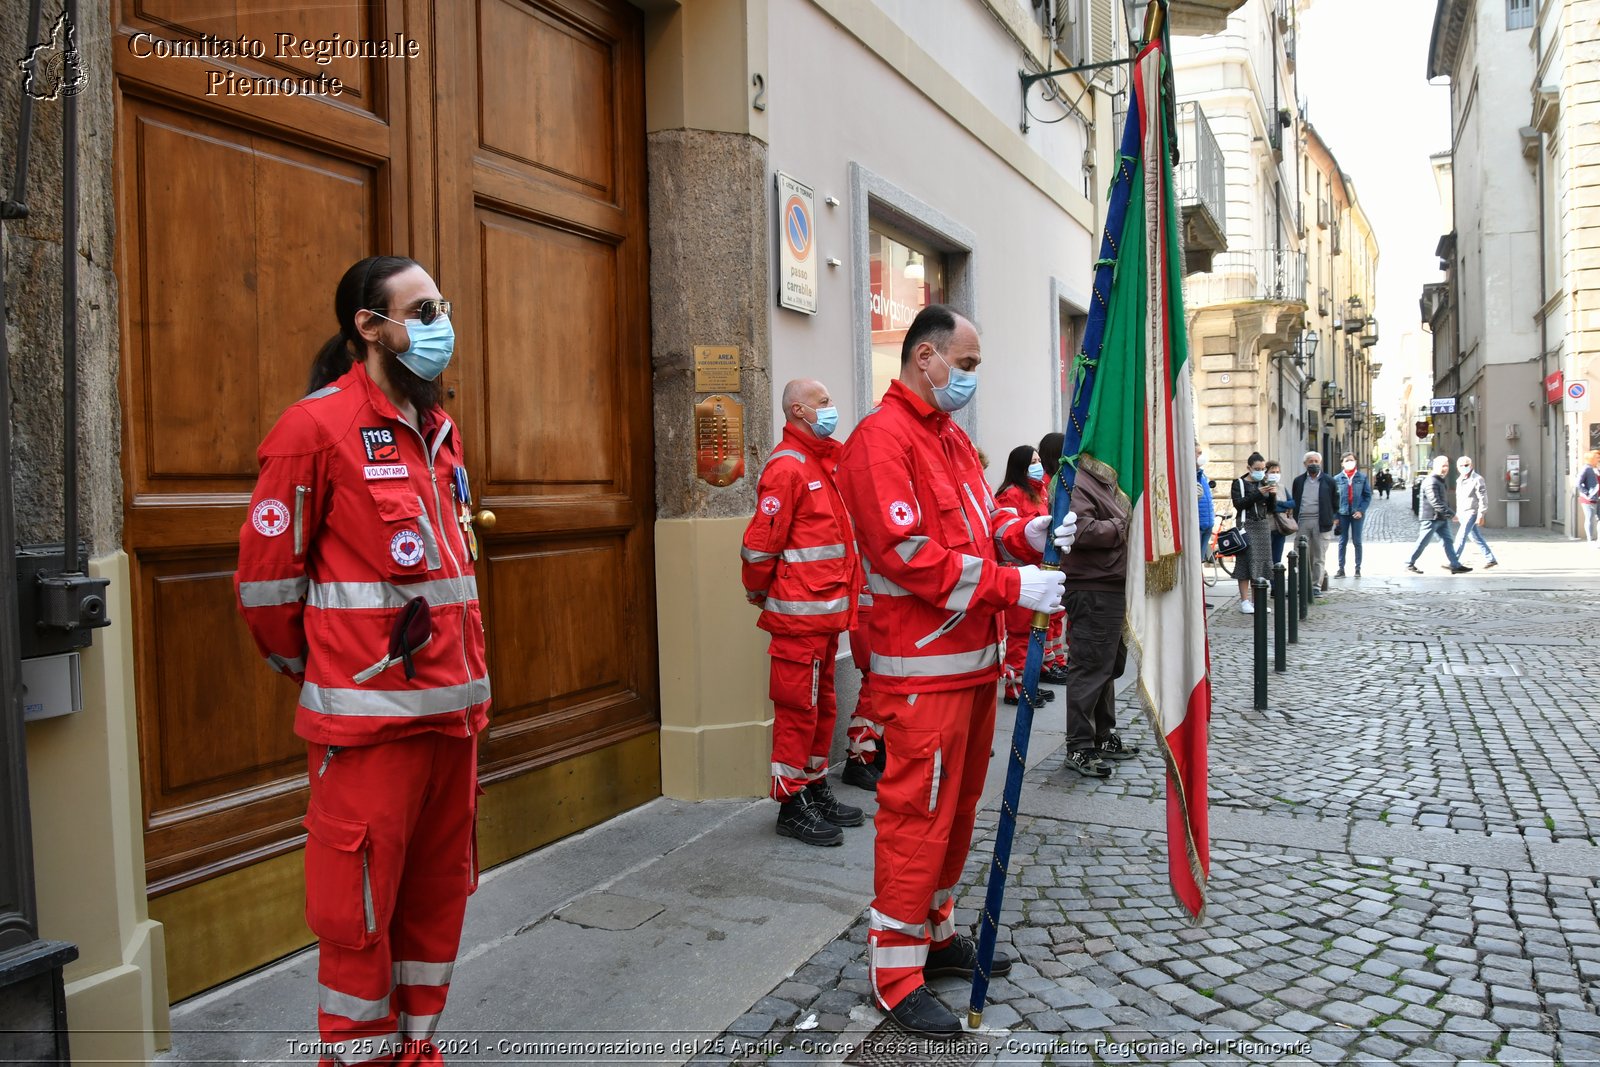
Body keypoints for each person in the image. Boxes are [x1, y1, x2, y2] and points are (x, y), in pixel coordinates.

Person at [236, 256, 489, 1065]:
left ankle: (418, 1049)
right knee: (358, 918)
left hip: (453, 720)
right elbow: (268, 588)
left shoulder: (438, 432)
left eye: (440, 305)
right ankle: (359, 1057)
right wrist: (332, 672)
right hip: (368, 732)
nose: (438, 322)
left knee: (435, 902)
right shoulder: (313, 429)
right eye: (421, 309)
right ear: (368, 326)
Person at [837, 304, 1076, 1038]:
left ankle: (933, 932)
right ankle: (894, 970)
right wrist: (1013, 587)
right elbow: (909, 557)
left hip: (968, 672)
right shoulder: (881, 442)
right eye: (964, 364)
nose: (970, 377)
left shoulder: (948, 439)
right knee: (916, 820)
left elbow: (978, 528)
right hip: (923, 675)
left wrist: (1025, 532)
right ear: (925, 358)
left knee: (956, 815)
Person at [740, 379, 865, 846]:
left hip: (825, 616)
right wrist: (760, 595)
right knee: (798, 709)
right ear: (798, 410)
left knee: (822, 705)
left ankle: (813, 786)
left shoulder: (820, 461)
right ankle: (792, 804)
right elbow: (759, 548)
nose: (831, 409)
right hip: (800, 617)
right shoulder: (788, 467)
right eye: (824, 402)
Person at [1060, 457, 1135, 778]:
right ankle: (1079, 745)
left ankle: (1102, 735)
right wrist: (1123, 525)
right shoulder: (1079, 481)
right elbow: (1082, 530)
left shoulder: (1105, 480)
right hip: (1094, 587)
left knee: (1108, 666)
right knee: (1091, 667)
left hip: (1111, 585)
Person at [994, 446, 1059, 707]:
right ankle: (1015, 689)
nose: (1038, 465)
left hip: (1037, 570)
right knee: (1020, 635)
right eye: (1033, 461)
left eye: (1040, 460)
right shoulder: (1011, 494)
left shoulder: (1038, 492)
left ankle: (1028, 683)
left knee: (1035, 631)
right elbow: (1006, 535)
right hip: (1018, 572)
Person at [1407, 455, 1472, 574]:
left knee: (1448, 541)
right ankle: (1408, 563)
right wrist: (1452, 515)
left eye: (1447, 465)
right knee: (1423, 541)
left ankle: (1455, 565)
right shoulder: (1431, 481)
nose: (1445, 468)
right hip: (1430, 518)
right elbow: (1435, 502)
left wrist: (1447, 514)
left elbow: (1442, 501)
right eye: (1443, 466)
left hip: (1440, 518)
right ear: (1435, 466)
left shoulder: (1439, 480)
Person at [1230, 452, 1276, 613]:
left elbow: (1271, 509)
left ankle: (1258, 602)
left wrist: (1272, 496)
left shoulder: (1263, 482)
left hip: (1262, 525)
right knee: (1245, 562)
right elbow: (1239, 504)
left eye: (1263, 469)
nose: (1260, 472)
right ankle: (1244, 601)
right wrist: (1258, 493)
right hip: (1246, 524)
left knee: (1261, 563)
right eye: (1257, 468)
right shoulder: (1239, 484)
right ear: (1249, 468)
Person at [1292, 451, 1338, 592]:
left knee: (1319, 555)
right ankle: (1301, 585)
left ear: (1320, 463)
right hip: (1302, 522)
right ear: (1305, 464)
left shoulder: (1329, 481)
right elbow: (1295, 500)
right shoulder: (1299, 481)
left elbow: (1335, 502)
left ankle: (1316, 585)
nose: (1313, 464)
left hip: (1321, 522)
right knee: (1300, 554)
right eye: (1310, 461)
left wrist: (1333, 519)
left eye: (1316, 461)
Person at [1453, 455, 1499, 569]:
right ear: (1457, 467)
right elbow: (1460, 499)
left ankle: (1453, 560)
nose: (1464, 467)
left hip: (1472, 512)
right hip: (1463, 513)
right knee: (1475, 537)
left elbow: (1483, 498)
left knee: (1461, 536)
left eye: (1466, 465)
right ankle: (1491, 559)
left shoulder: (1478, 479)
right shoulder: (1459, 480)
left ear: (1471, 465)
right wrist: (1458, 514)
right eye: (1461, 465)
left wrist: (1481, 514)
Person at [1334, 453, 1372, 578]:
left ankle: (1357, 569)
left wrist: (1361, 510)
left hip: (1357, 513)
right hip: (1342, 513)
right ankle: (1341, 569)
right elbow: (1333, 499)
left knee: (1357, 541)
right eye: (1347, 460)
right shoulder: (1337, 479)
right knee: (1342, 541)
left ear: (1355, 462)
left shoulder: (1362, 477)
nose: (1349, 462)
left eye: (1352, 460)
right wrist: (1335, 517)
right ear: (1342, 463)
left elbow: (1367, 495)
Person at [1265, 460, 1294, 565]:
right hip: (1268, 527)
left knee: (1277, 558)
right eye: (1272, 472)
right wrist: (1282, 507)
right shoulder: (1264, 488)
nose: (1275, 475)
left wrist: (1280, 504)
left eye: (1277, 472)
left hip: (1281, 527)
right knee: (1267, 558)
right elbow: (1270, 507)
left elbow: (1292, 503)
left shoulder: (1281, 487)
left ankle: (1276, 581)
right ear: (1266, 473)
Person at [1196, 446, 1215, 562]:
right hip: (1197, 525)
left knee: (1200, 561)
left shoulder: (1202, 476)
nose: (1200, 456)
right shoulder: (1187, 474)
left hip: (1207, 524)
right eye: (1198, 453)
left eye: (1201, 453)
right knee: (1194, 562)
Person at [1578, 449, 1600, 547]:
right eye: (1597, 458)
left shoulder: (1597, 469)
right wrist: (1587, 493)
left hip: (1598, 497)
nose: (1598, 459)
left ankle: (1598, 540)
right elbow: (1578, 483)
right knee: (1590, 518)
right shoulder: (1586, 468)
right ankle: (1590, 540)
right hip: (1589, 499)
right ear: (1591, 459)